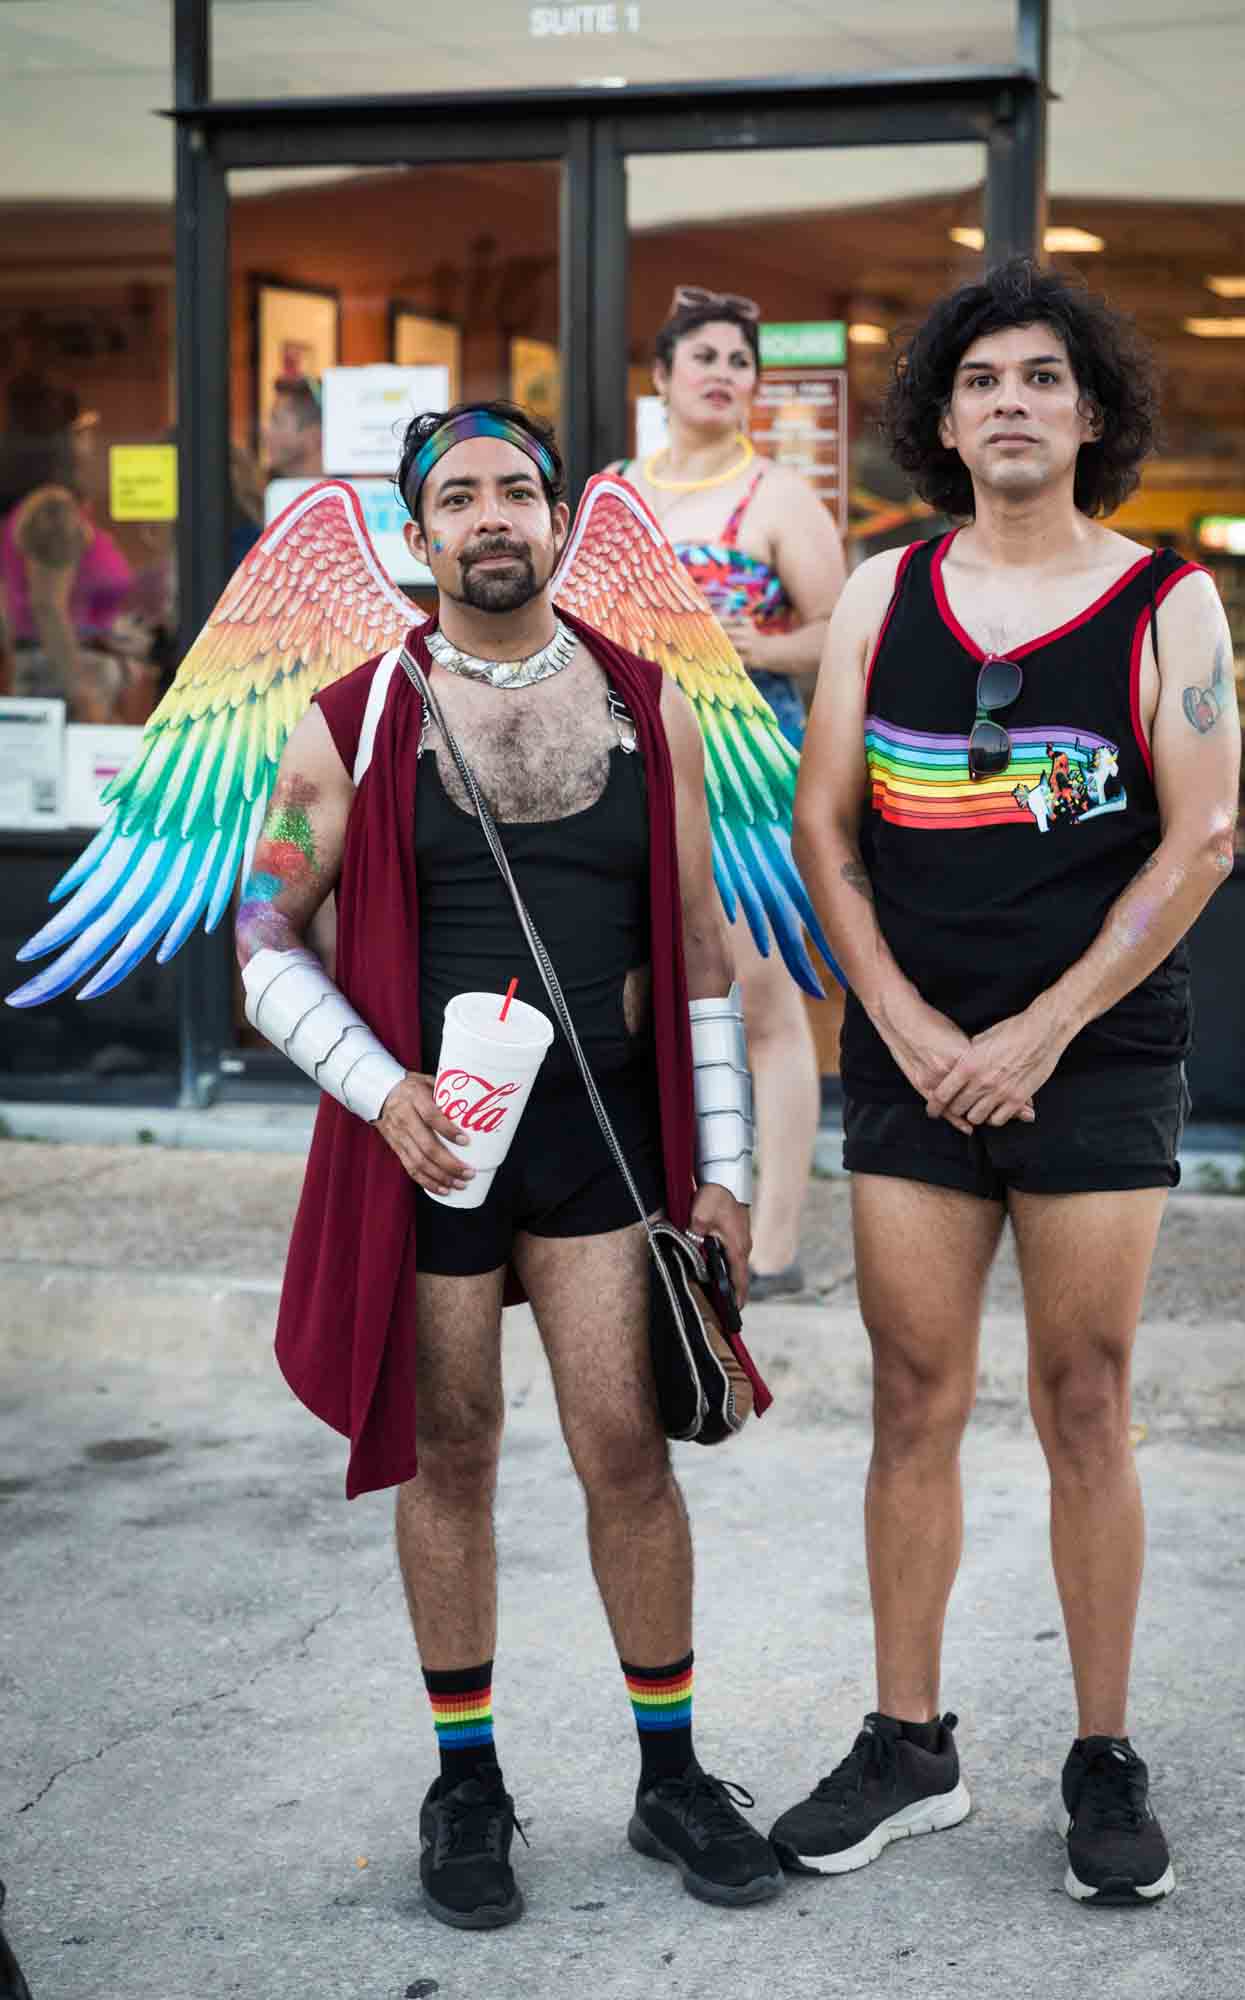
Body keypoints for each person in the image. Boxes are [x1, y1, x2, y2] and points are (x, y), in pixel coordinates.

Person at [235, 399, 784, 1929]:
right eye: (459, 497)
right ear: (418, 538)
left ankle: (671, 1776)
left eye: (517, 493)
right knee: (453, 1450)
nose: (492, 517)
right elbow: (261, 944)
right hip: (436, 1149)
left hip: (604, 1142)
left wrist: (724, 1174)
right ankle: (466, 1782)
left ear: (557, 523)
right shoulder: (350, 718)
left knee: (628, 1451)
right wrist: (377, 1087)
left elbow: (701, 961)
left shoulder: (644, 705)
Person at [775, 259, 1240, 1906]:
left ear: (1090, 409)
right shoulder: (882, 598)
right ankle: (910, 1743)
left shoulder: (1161, 600)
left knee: (1080, 1402)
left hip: (1093, 1052)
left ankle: (1100, 1757)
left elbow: (1199, 834)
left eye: (1043, 377)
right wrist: (897, 1016)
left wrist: (1038, 1032)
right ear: (943, 420)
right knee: (908, 1399)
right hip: (911, 1052)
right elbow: (824, 826)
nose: (1012, 402)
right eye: (981, 382)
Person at [615, 286, 847, 1299]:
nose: (722, 371)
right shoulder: (614, 490)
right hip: (626, 770)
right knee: (635, 993)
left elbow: (843, 630)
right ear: (660, 377)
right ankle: (646, 1221)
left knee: (761, 999)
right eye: (701, 355)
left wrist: (761, 642)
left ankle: (781, 1242)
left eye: (739, 359)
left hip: (748, 773)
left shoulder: (781, 498)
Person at [0, 383, 142, 723]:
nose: (91, 442)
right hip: (62, 684)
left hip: (72, 674)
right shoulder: (52, 510)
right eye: (83, 432)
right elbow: (46, 606)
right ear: (63, 444)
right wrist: (81, 692)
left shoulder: (55, 509)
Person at [261, 374, 324, 481]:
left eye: (277, 421)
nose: (265, 431)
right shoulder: (266, 491)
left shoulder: (351, 493)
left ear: (314, 436)